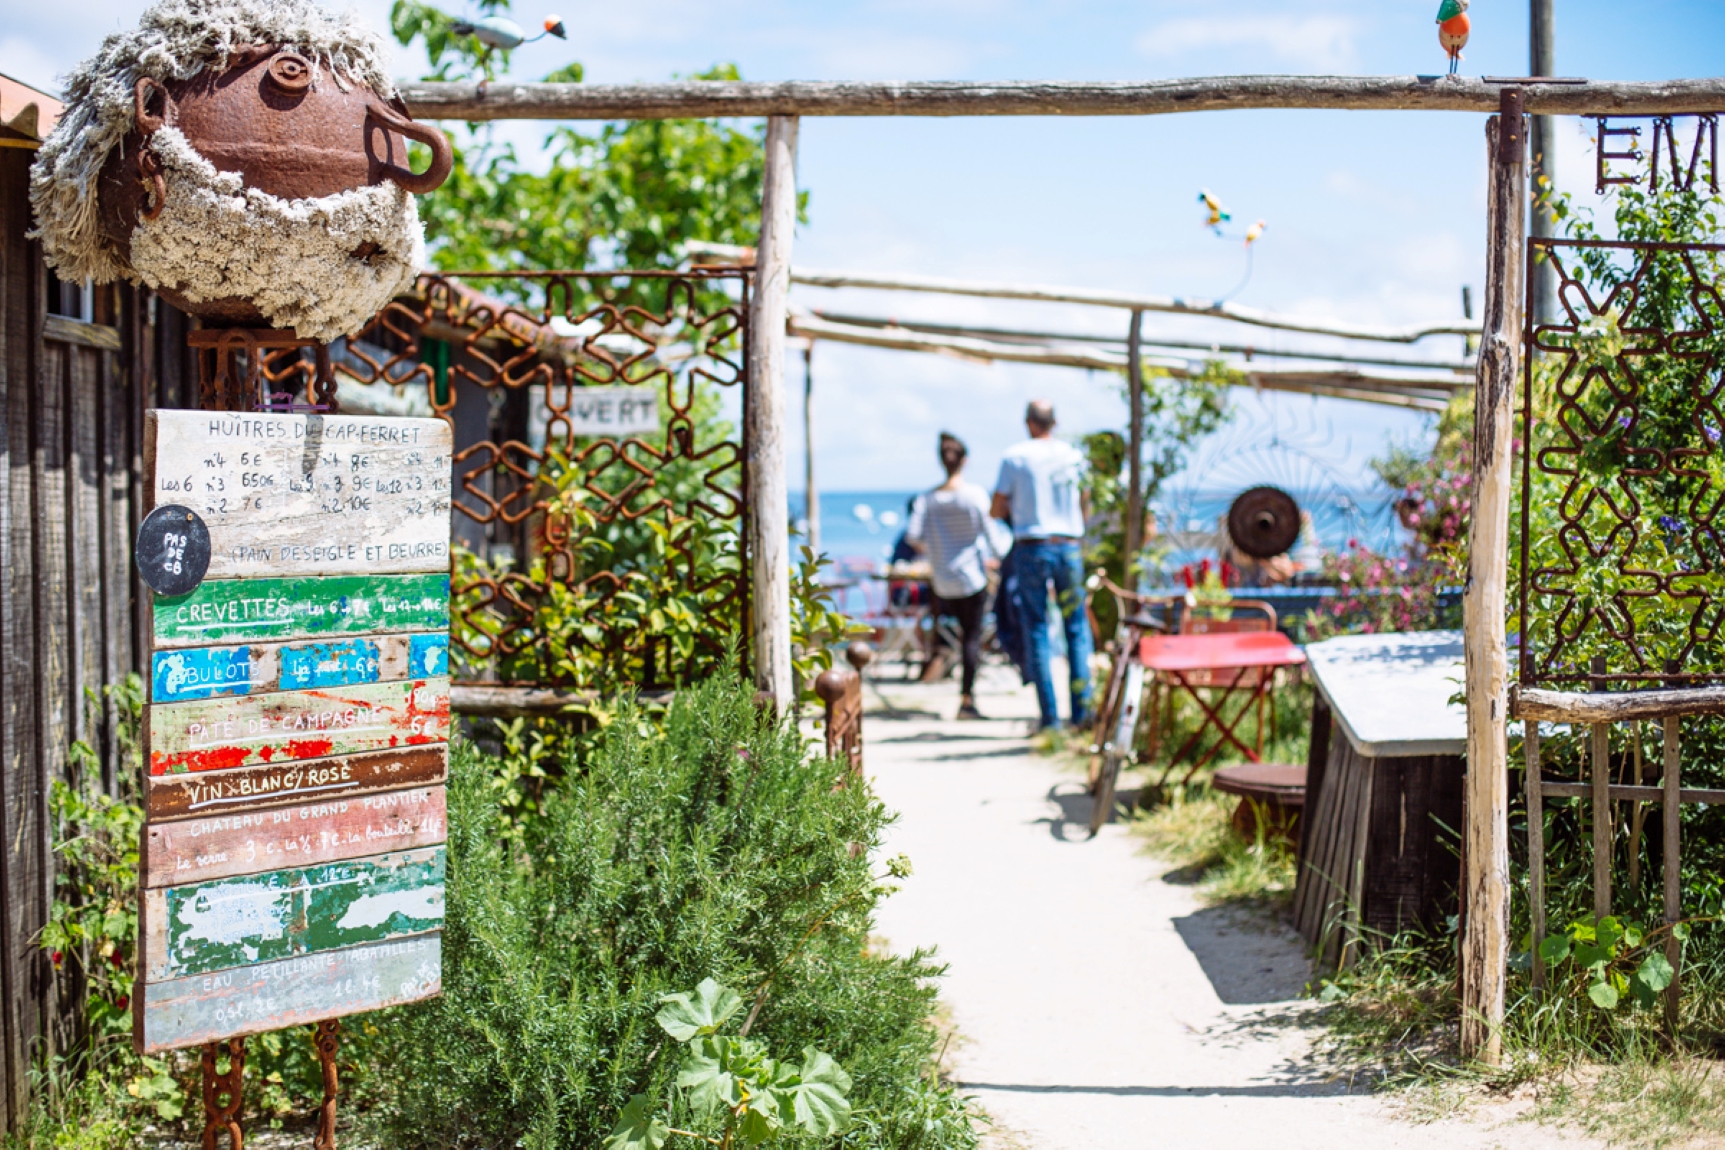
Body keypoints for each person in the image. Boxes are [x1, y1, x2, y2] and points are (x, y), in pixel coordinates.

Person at [992, 400, 1092, 732]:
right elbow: (1085, 502)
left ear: (1029, 422)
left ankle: (1050, 718)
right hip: (1068, 544)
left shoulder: (1016, 456)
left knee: (1036, 628)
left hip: (1032, 545)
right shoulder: (1073, 456)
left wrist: (1019, 510)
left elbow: (996, 507)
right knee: (1076, 627)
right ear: (1055, 421)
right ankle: (1081, 713)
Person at [906, 433, 1006, 720]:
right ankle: (966, 700)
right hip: (972, 578)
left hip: (941, 580)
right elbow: (995, 541)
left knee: (946, 631)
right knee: (971, 637)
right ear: (965, 460)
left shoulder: (928, 499)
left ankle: (937, 673)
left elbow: (914, 536)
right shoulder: (974, 495)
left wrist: (937, 550)